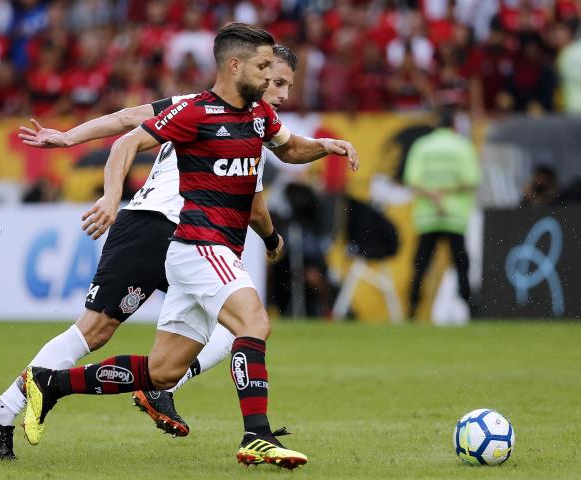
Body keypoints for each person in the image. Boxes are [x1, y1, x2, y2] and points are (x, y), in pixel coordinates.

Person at [33, 23, 357, 469]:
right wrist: (111, 196)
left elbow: (290, 150)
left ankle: (51, 384)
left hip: (212, 249)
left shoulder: (259, 116)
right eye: (265, 69)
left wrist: (326, 147)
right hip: (198, 244)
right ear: (235, 66)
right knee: (254, 322)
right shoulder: (197, 112)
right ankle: (257, 436)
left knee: (164, 371)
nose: (269, 80)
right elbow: (129, 136)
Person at [0, 43, 300, 460]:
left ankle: (162, 387)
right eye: (273, 81)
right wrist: (72, 143)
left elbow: (253, 197)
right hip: (156, 224)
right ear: (243, 70)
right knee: (94, 331)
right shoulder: (199, 107)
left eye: (285, 85)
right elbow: (127, 123)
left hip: (196, 237)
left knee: (235, 327)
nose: (279, 94)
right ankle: (3, 410)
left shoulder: (252, 125)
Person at [403, 109, 480, 319]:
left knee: (421, 266)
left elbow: (412, 180)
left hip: (428, 216)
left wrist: (434, 196)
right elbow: (471, 181)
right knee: (461, 266)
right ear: (454, 126)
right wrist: (445, 195)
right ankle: (471, 310)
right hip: (454, 216)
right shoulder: (463, 147)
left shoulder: (422, 146)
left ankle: (411, 310)